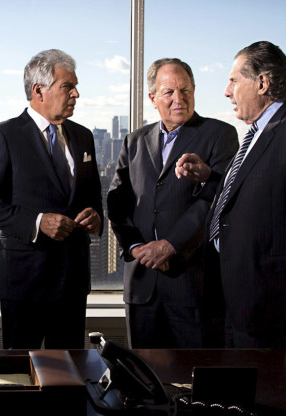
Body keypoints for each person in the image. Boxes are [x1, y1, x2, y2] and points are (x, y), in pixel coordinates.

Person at [175, 41, 286, 349]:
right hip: (244, 302)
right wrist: (210, 177)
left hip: (279, 305)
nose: (227, 91)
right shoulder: (259, 133)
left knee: (276, 396)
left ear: (262, 83)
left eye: (233, 80)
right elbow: (259, 196)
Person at [0, 49, 103, 349]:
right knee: (21, 376)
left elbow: (93, 197)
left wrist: (95, 217)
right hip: (24, 281)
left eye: (75, 86)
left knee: (70, 374)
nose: (76, 94)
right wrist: (37, 222)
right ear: (38, 91)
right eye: (67, 87)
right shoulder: (4, 135)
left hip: (72, 280)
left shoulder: (84, 137)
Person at [107, 58, 238, 348]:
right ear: (153, 98)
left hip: (193, 285)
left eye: (185, 90)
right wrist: (135, 248)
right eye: (169, 92)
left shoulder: (220, 135)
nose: (179, 99)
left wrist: (170, 245)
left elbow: (216, 200)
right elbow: (117, 202)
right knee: (144, 378)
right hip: (142, 285)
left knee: (196, 379)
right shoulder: (134, 141)